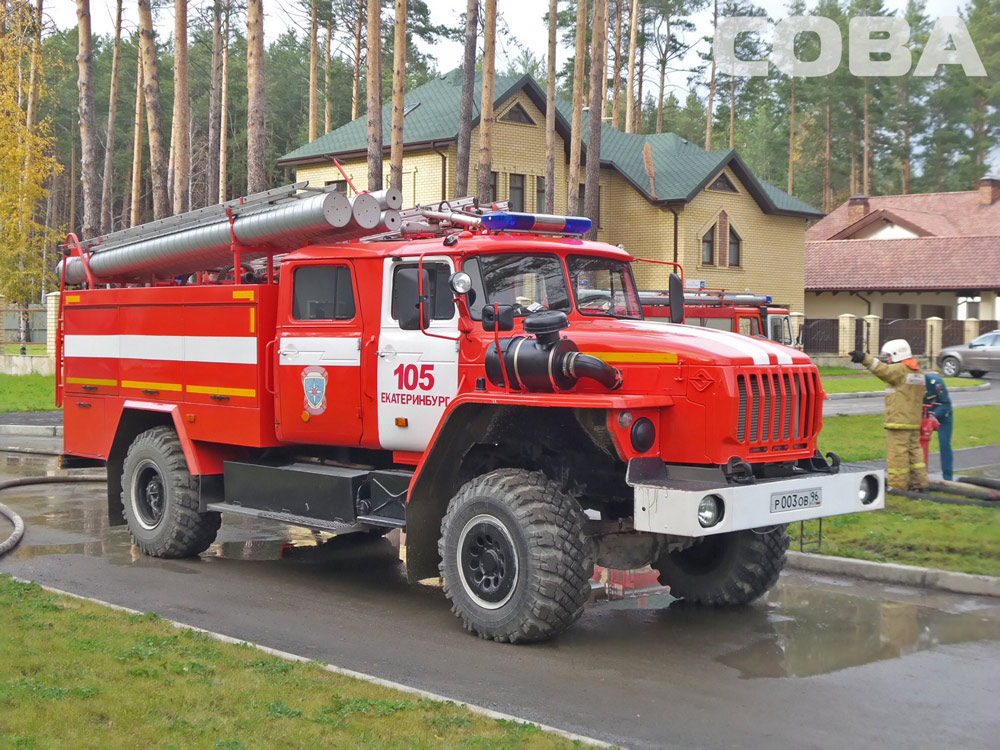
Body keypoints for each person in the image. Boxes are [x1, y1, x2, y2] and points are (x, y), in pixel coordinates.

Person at [849, 340, 928, 491]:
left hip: (898, 422)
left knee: (897, 456)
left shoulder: (900, 369)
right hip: (913, 422)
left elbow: (882, 370)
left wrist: (864, 358)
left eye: (889, 356)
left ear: (898, 354)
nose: (887, 359)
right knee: (915, 454)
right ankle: (920, 484)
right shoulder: (918, 372)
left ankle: (897, 487)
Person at [924, 371, 953, 481]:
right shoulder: (912, 385)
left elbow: (946, 403)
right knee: (918, 445)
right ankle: (920, 475)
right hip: (925, 416)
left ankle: (948, 477)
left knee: (944, 444)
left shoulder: (936, 383)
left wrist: (934, 415)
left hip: (943, 416)